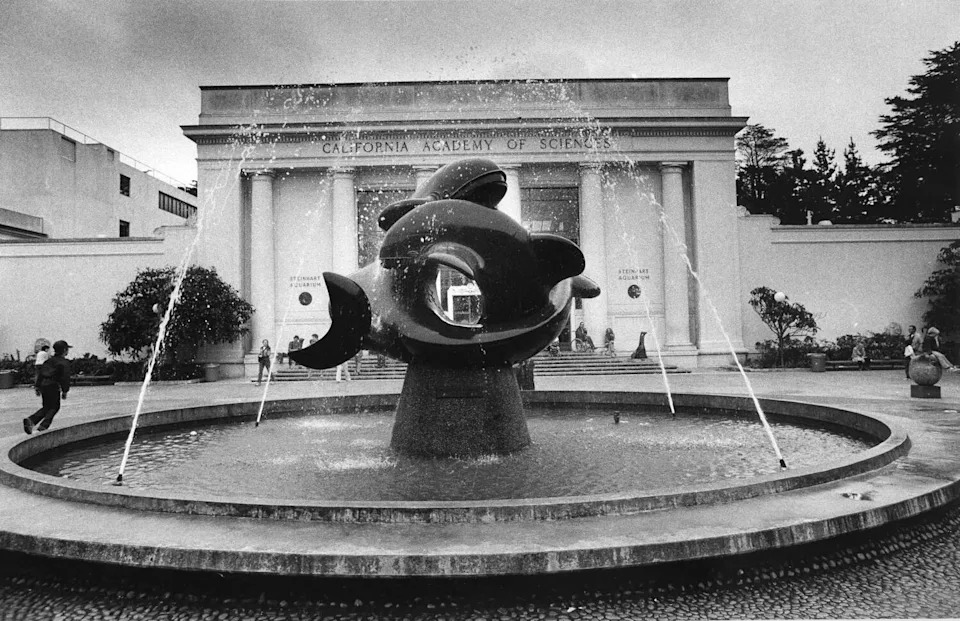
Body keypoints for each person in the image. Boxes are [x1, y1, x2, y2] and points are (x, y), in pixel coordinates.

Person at [23, 340, 72, 434]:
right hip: (53, 385)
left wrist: (37, 386)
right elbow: (65, 377)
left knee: (47, 407)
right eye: (67, 350)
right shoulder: (64, 363)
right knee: (54, 407)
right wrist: (65, 391)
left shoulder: (48, 361)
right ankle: (43, 426)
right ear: (65, 350)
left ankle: (31, 421)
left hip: (44, 385)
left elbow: (40, 373)